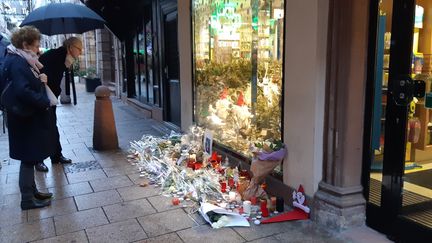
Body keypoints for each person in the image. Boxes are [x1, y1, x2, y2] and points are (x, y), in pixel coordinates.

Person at [3, 26, 54, 210]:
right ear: (25, 44)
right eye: (36, 45)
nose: (38, 49)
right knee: (28, 158)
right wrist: (43, 100)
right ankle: (27, 198)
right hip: (24, 118)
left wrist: (40, 80)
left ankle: (32, 192)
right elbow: (23, 90)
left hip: (24, 117)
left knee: (30, 156)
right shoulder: (17, 62)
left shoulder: (18, 59)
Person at [35, 37, 82, 172]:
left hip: (50, 98)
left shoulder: (62, 57)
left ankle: (56, 156)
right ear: (71, 47)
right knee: (44, 127)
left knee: (51, 126)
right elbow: (48, 79)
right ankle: (38, 160)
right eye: (79, 49)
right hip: (44, 98)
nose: (80, 52)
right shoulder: (55, 56)